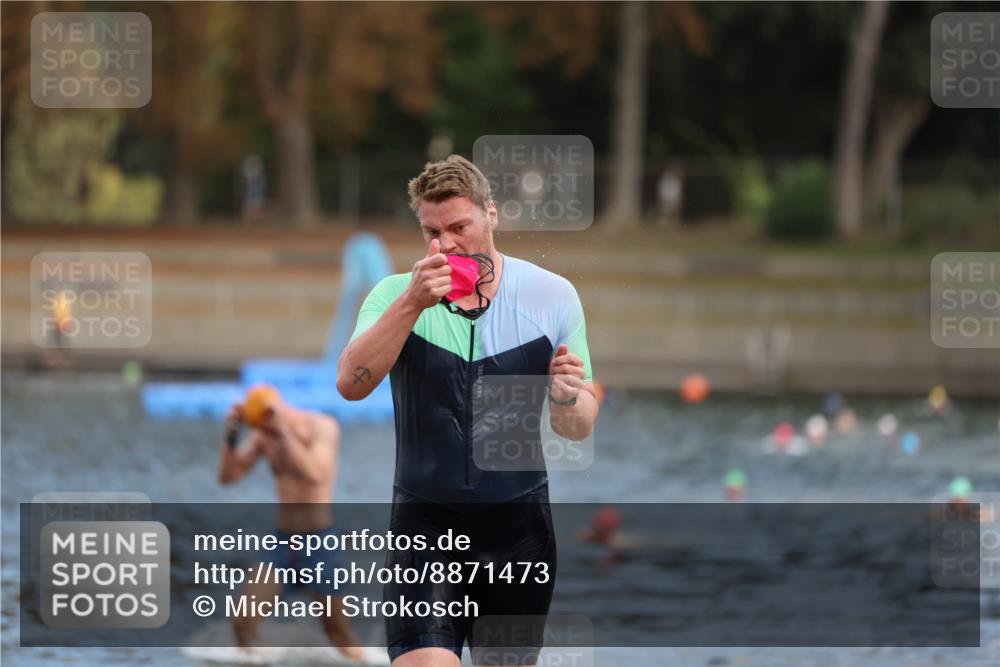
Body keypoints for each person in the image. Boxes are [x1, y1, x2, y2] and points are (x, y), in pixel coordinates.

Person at [336, 155, 599, 667]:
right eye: (432, 232)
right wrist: (412, 302)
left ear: (491, 216)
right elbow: (350, 384)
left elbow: (577, 424)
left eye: (459, 227)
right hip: (426, 529)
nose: (446, 244)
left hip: (519, 534)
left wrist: (568, 395)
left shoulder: (551, 296)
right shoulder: (394, 296)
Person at [218, 393, 370, 663]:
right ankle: (253, 660)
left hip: (321, 544)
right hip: (283, 544)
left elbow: (315, 474)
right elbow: (228, 477)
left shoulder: (322, 427)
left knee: (339, 635)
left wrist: (284, 432)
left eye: (259, 425)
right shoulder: (264, 435)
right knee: (242, 619)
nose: (259, 433)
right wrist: (232, 435)